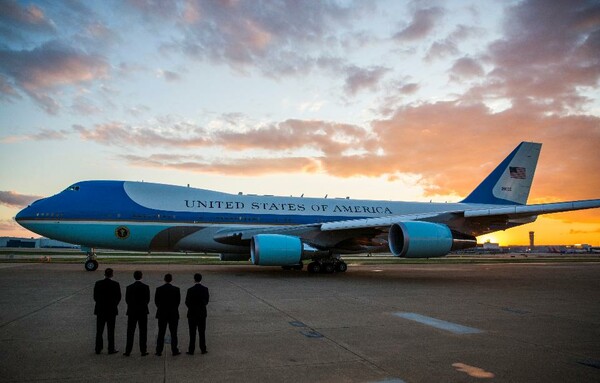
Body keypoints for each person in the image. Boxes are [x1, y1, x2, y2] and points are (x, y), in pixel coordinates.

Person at [94, 268, 121, 355]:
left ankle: (98, 348)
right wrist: (113, 305)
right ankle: (111, 349)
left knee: (99, 331)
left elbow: (95, 297)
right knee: (111, 331)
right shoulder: (116, 284)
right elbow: (118, 297)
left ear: (104, 274)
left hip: (100, 310)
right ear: (112, 275)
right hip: (111, 311)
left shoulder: (98, 283)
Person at [124, 270, 150, 356]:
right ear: (141, 276)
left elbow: (127, 300)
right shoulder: (146, 287)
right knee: (143, 332)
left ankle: (128, 350)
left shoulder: (129, 287)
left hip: (132, 312)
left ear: (134, 276)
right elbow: (147, 300)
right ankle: (143, 350)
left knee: (130, 332)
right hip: (142, 311)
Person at [155, 273, 181, 356]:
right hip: (173, 313)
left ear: (164, 279)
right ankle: (174, 350)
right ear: (171, 279)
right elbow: (178, 302)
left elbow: (157, 302)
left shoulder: (159, 289)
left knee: (161, 332)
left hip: (162, 313)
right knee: (174, 333)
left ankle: (159, 351)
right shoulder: (176, 289)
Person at [185, 272, 210, 355]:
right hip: (202, 313)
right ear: (201, 279)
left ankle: (191, 350)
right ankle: (203, 349)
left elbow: (187, 302)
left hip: (192, 314)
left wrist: (192, 307)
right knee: (202, 333)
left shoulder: (190, 290)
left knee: (192, 333)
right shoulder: (205, 289)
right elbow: (206, 301)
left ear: (194, 279)